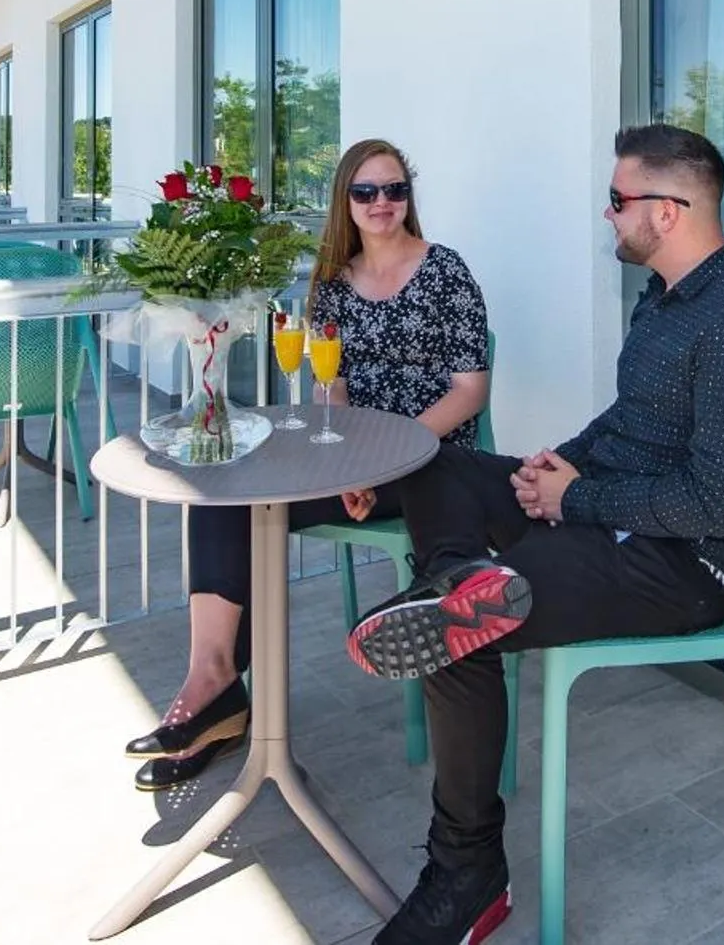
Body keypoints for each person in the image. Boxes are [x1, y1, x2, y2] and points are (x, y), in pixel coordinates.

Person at [345, 123, 724, 945]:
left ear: (668, 211)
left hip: (685, 564)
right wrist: (560, 463)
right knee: (432, 461)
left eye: (619, 200)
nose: (608, 213)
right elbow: (629, 420)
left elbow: (712, 503)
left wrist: (577, 497)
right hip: (613, 513)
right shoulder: (663, 299)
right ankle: (452, 576)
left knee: (460, 636)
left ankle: (468, 873)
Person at [123, 138, 492, 790]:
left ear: (410, 197)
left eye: (395, 189)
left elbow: (469, 388)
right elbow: (333, 384)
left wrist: (387, 456)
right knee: (223, 486)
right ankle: (211, 682)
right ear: (345, 200)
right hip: (354, 465)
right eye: (366, 191)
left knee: (251, 492)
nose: (382, 202)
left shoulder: (445, 270)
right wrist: (348, 461)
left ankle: (217, 703)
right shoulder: (333, 283)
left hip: (429, 464)